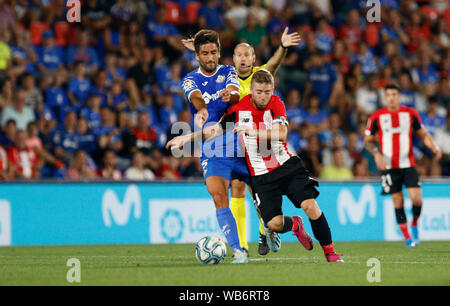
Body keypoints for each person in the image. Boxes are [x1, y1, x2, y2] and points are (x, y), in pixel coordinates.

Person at [168, 69, 343, 262]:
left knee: (310, 206)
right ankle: (295, 225)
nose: (263, 96)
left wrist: (253, 131)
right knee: (274, 224)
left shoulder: (277, 104)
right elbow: (214, 130)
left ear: (272, 90)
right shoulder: (238, 109)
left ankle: (330, 252)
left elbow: (281, 133)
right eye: (259, 92)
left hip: (285, 166)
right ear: (251, 90)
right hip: (261, 176)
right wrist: (187, 138)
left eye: (267, 91)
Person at [181, 26, 301, 256]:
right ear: (233, 58)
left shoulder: (249, 76)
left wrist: (283, 47)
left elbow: (270, 68)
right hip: (227, 138)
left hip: (254, 139)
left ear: (253, 58)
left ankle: (266, 229)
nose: (244, 59)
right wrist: (196, 47)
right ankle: (242, 246)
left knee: (259, 188)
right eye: (240, 55)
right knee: (236, 188)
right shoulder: (225, 73)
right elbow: (203, 81)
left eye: (248, 55)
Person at [180, 29, 249, 264]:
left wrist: (230, 96)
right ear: (197, 56)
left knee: (259, 189)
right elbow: (196, 96)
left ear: (219, 52)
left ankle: (269, 228)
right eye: (205, 53)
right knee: (219, 196)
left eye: (214, 52)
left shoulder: (228, 71)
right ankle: (239, 251)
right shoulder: (190, 79)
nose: (210, 58)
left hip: (235, 141)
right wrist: (201, 108)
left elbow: (235, 93)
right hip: (210, 147)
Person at [364, 83, 442, 248]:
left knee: (416, 199)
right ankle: (407, 238)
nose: (391, 98)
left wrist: (434, 147)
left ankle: (414, 223)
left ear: (399, 96)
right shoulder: (376, 117)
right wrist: (376, 154)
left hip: (408, 164)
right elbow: (368, 142)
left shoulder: (410, 114)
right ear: (385, 97)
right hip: (389, 167)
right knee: (398, 201)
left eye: (394, 94)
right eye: (388, 95)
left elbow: (423, 134)